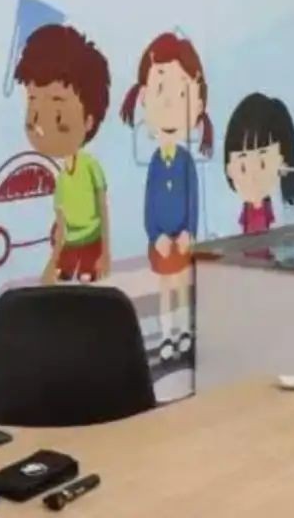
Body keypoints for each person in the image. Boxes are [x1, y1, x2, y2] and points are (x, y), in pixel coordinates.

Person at [120, 32, 213, 360]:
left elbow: (193, 201)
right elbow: (150, 205)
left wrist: (189, 232)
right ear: (144, 98)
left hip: (183, 240)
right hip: (161, 242)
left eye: (181, 93)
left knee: (182, 288)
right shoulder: (155, 164)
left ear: (197, 104)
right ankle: (167, 336)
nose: (171, 105)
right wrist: (155, 235)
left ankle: (185, 331)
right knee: (165, 290)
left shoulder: (186, 162)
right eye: (161, 92)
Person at [14, 25, 112, 284]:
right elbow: (61, 224)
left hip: (91, 245)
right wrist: (54, 260)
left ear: (88, 120)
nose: (40, 124)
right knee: (63, 283)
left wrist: (105, 252)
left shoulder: (90, 167)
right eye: (33, 104)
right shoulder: (62, 180)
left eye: (57, 113)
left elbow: (103, 209)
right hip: (70, 247)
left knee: (88, 284)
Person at [224, 92, 294, 235]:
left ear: (282, 163)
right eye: (243, 167)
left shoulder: (287, 210)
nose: (253, 176)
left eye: (262, 164)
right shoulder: (236, 212)